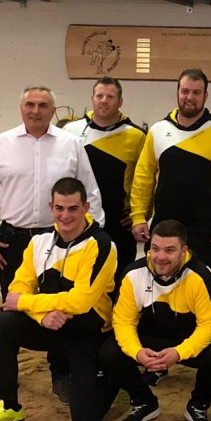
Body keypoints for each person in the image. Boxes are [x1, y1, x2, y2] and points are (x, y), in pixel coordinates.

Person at [0, 85, 105, 401]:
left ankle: (60, 373)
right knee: (13, 306)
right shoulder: (0, 143)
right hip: (13, 240)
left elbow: (90, 190)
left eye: (43, 105)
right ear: (21, 109)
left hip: (60, 240)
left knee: (58, 306)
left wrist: (92, 233)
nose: (36, 110)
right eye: (30, 105)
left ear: (53, 111)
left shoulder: (71, 144)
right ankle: (5, 376)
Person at [0, 178, 118, 421]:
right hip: (50, 326)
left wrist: (26, 302)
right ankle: (9, 407)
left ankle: (115, 378)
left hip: (87, 333)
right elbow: (17, 289)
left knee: (86, 416)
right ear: (51, 207)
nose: (65, 216)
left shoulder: (102, 245)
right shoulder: (39, 242)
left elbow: (80, 301)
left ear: (85, 208)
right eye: (59, 208)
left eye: (73, 208)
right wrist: (41, 317)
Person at [98, 219, 211, 421]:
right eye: (155, 248)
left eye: (170, 250)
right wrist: (137, 352)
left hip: (186, 339)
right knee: (109, 351)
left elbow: (210, 325)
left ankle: (198, 405)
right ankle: (143, 401)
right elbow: (123, 321)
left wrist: (179, 352)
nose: (161, 256)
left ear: (184, 251)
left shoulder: (201, 275)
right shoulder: (133, 274)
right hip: (150, 338)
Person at [131, 68, 211, 284]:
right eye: (185, 91)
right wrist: (138, 217)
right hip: (163, 227)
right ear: (177, 93)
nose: (190, 97)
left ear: (205, 96)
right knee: (158, 288)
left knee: (207, 288)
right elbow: (143, 178)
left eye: (196, 92)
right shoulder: (158, 130)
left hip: (206, 231)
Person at [63, 77, 146, 280]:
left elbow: (147, 180)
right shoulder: (70, 131)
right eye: (99, 96)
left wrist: (140, 214)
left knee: (118, 281)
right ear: (92, 98)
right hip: (77, 220)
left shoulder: (136, 136)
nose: (104, 101)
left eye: (110, 97)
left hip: (119, 224)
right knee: (78, 280)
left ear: (120, 101)